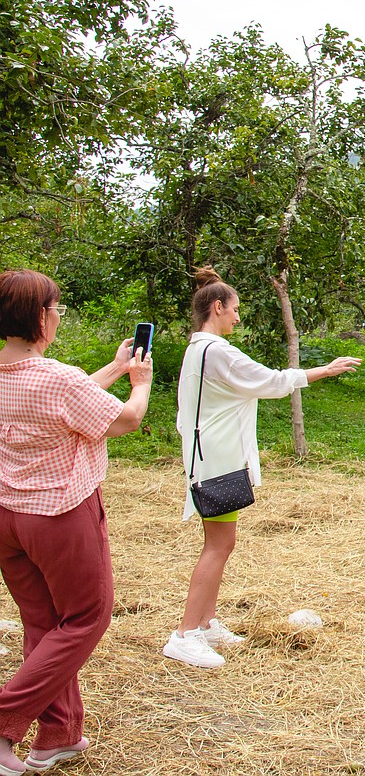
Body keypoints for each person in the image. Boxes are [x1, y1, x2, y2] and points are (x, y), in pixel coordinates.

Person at [164, 267, 361, 668]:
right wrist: (323, 370)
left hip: (212, 456)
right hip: (214, 460)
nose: (238, 317)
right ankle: (185, 633)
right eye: (234, 310)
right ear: (217, 307)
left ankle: (204, 623)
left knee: (223, 543)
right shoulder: (215, 350)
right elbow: (268, 381)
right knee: (217, 546)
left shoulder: (199, 347)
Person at [0, 269, 152, 774]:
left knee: (43, 623)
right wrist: (140, 384)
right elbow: (125, 420)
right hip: (60, 514)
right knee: (88, 616)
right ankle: (4, 723)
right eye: (57, 308)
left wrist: (111, 369)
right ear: (41, 316)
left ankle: (57, 735)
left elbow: (66, 402)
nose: (59, 316)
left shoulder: (25, 377)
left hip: (8, 518)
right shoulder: (55, 378)